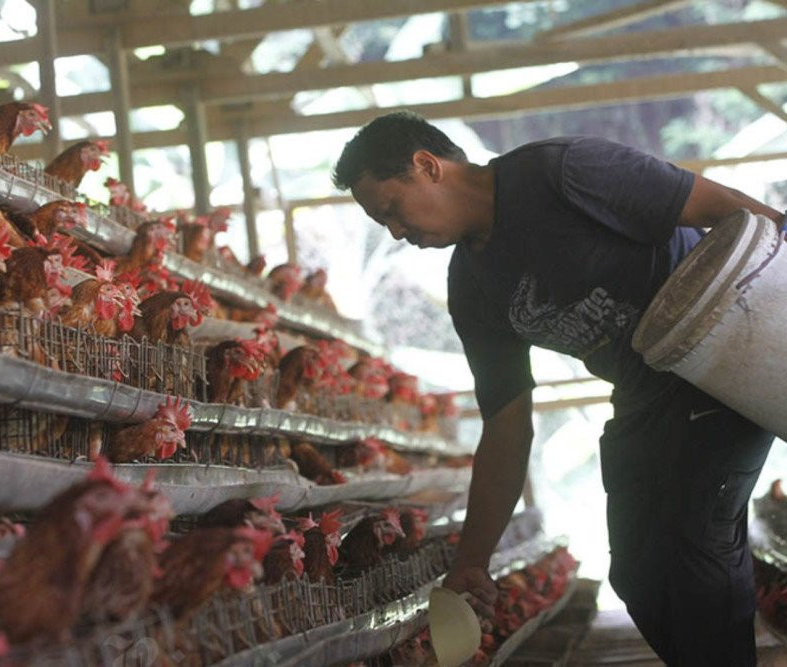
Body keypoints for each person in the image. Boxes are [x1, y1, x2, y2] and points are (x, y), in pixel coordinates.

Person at [333, 111, 784, 666]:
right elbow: (506, 426)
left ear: (427, 167)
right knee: (638, 573)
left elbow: (722, 206)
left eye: (391, 211)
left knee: (694, 545)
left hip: (722, 360)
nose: (396, 233)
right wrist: (472, 560)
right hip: (645, 396)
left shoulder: (561, 173)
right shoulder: (472, 289)